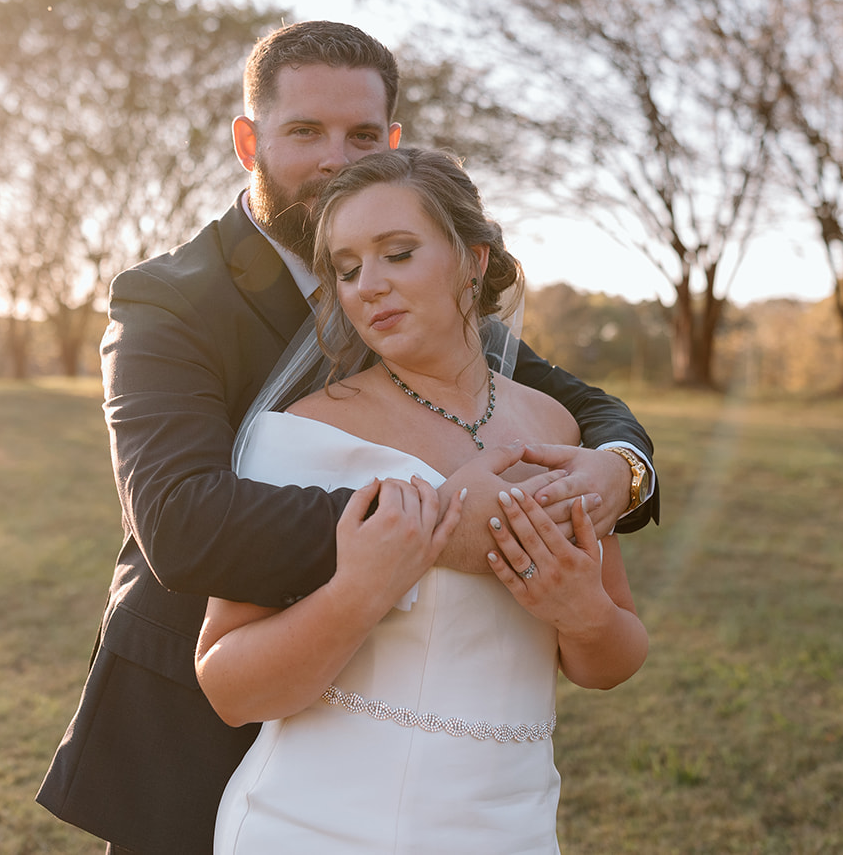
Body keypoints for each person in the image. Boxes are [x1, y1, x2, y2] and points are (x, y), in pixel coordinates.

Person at [36, 21, 658, 854]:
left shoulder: (437, 305)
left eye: (361, 135)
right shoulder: (169, 300)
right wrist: (432, 527)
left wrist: (622, 471)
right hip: (192, 731)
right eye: (304, 132)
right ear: (249, 140)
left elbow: (583, 407)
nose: (335, 159)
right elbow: (182, 522)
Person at [198, 148, 649, 853]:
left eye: (398, 253)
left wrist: (581, 612)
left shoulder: (559, 431)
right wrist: (363, 588)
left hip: (511, 827)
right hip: (315, 825)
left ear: (473, 258)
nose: (368, 285)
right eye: (347, 269)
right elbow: (228, 685)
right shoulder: (304, 435)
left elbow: (613, 658)